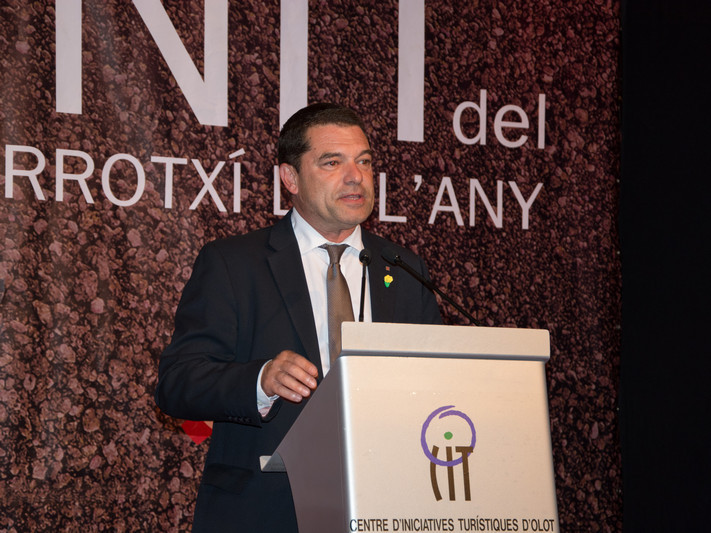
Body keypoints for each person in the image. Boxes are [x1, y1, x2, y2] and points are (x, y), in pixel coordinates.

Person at [155, 103, 442, 532]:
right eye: (333, 162)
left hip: (384, 505)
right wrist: (261, 379)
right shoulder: (235, 264)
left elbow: (435, 384)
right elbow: (178, 383)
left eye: (364, 161)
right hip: (266, 510)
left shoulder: (402, 269)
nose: (355, 176)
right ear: (290, 178)